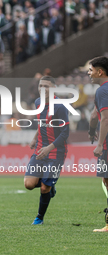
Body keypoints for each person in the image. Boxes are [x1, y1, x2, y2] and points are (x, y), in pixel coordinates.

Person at [24, 76, 69, 225]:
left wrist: (49, 148)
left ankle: (39, 218)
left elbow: (65, 133)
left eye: (46, 86)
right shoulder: (38, 102)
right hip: (39, 150)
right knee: (29, 184)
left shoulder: (60, 107)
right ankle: (51, 183)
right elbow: (41, 123)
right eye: (40, 86)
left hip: (56, 152)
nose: (42, 89)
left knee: (44, 188)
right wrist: (35, 138)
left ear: (54, 88)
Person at [87, 56, 108, 232]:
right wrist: (92, 128)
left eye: (91, 70)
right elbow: (95, 116)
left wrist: (100, 143)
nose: (89, 73)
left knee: (107, 181)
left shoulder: (102, 91)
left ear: (100, 72)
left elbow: (104, 118)